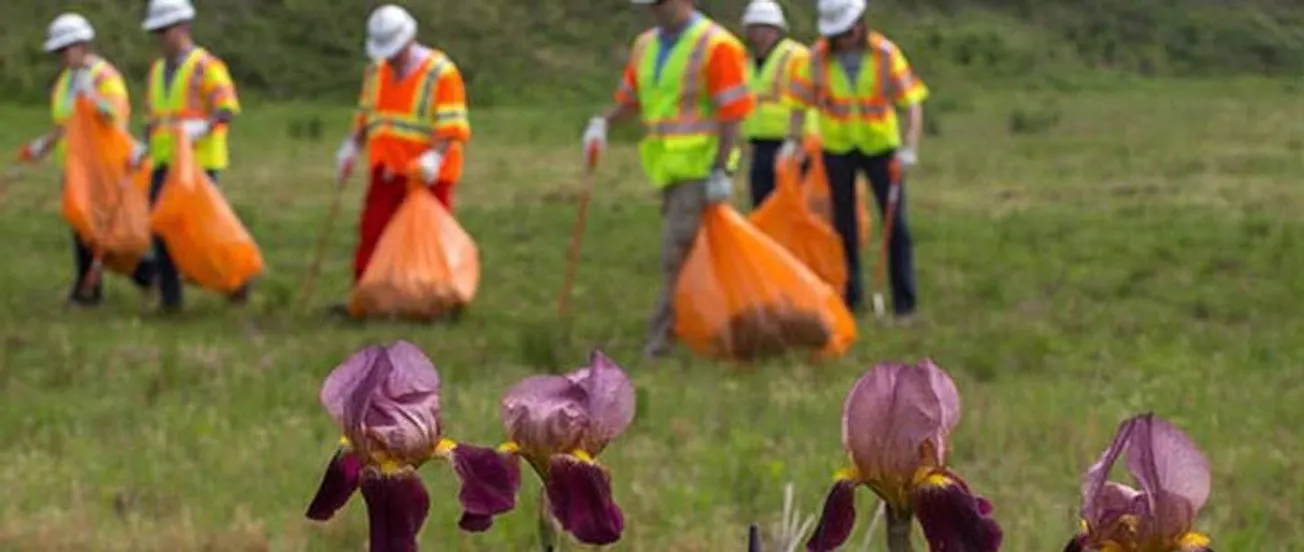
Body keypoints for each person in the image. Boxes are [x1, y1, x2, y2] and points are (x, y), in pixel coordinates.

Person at [584, 0, 754, 359]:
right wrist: (603, 123)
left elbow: (732, 113)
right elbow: (631, 99)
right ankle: (720, 325)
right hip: (667, 168)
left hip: (701, 168)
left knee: (675, 254)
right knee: (699, 254)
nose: (656, 11)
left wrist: (721, 170)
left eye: (660, 3)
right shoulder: (645, 45)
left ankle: (661, 341)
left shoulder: (716, 45)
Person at [783, 0, 927, 320]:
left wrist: (909, 147)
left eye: (847, 32)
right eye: (837, 35)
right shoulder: (816, 58)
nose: (844, 40)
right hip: (838, 150)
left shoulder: (885, 54)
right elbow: (798, 102)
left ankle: (905, 304)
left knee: (896, 226)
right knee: (843, 225)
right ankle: (851, 296)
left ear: (861, 24)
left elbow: (912, 103)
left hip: (881, 149)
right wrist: (792, 141)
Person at [333, 4, 471, 302]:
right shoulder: (376, 72)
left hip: (427, 176)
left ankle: (432, 298)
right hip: (386, 171)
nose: (391, 59)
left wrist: (434, 157)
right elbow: (366, 116)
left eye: (394, 52)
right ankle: (368, 296)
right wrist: (351, 146)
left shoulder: (440, 74)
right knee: (373, 233)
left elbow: (452, 126)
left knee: (427, 241)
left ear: (409, 40)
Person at [17, 13, 155, 308]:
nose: (62, 57)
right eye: (58, 52)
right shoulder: (65, 81)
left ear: (81, 45)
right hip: (75, 168)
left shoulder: (104, 77)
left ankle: (135, 278)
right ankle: (97, 287)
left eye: (65, 50)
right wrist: (43, 145)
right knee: (83, 228)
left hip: (102, 168)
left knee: (105, 233)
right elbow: (64, 123)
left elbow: (114, 117)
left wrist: (92, 97)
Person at [137, 0, 244, 313]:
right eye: (157, 32)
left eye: (165, 30)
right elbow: (154, 117)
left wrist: (204, 127)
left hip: (199, 164)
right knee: (161, 229)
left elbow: (227, 108)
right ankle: (170, 300)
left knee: (205, 232)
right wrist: (142, 146)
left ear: (183, 27)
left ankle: (236, 279)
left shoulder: (206, 66)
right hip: (164, 162)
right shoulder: (157, 71)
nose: (161, 38)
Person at [739, 0, 815, 208]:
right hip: (760, 143)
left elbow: (808, 100)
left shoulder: (796, 56)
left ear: (775, 30)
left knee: (794, 206)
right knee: (762, 204)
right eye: (752, 28)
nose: (756, 34)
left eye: (762, 28)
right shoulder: (748, 63)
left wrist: (798, 141)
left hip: (793, 144)